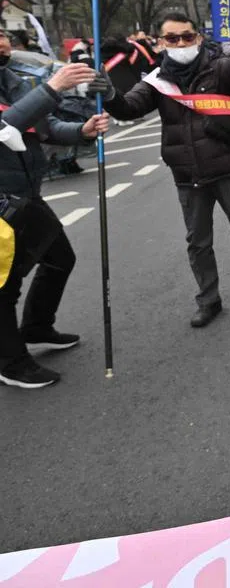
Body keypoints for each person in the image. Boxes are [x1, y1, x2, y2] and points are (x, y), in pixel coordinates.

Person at [93, 13, 230, 327]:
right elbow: (129, 107)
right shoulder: (156, 81)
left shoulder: (217, 67)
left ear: (199, 38)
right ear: (162, 43)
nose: (180, 43)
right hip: (188, 175)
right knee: (198, 243)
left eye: (187, 37)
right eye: (173, 38)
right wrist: (108, 93)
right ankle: (209, 300)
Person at [0, 38, 110, 389]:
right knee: (5, 283)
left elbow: (41, 126)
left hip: (25, 194)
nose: (4, 42)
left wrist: (82, 131)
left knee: (60, 257)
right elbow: (6, 126)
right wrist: (52, 87)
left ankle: (36, 326)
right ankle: (11, 363)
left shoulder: (9, 79)